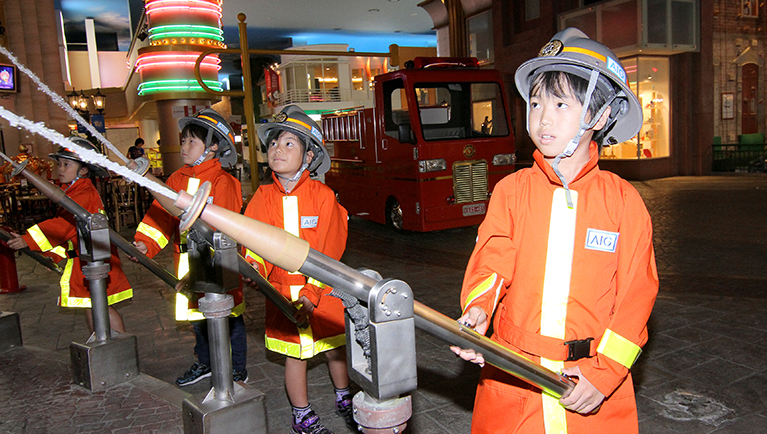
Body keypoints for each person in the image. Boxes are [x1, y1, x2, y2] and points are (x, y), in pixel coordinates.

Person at [451, 28, 659, 434]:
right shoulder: (511, 191)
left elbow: (636, 296)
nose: (543, 117)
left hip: (589, 386)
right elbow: (491, 263)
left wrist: (605, 374)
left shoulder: (623, 202)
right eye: (536, 102)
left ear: (599, 116)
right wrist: (477, 313)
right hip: (515, 375)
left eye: (561, 103)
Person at [242, 105, 354, 434]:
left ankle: (344, 397)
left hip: (322, 290)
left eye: (289, 144)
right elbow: (254, 242)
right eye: (275, 143)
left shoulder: (323, 196)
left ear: (308, 158)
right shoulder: (261, 197)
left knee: (334, 347)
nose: (278, 149)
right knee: (296, 355)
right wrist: (253, 267)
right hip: (280, 295)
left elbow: (328, 251)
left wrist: (310, 293)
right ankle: (301, 415)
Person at [131, 108, 247, 386]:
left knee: (228, 319)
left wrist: (200, 270)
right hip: (185, 260)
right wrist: (145, 243)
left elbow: (225, 230)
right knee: (198, 319)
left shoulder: (224, 182)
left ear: (213, 147)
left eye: (191, 141)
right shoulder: (175, 180)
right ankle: (205, 362)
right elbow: (160, 215)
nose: (183, 146)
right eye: (184, 140)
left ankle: (237, 368)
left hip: (218, 264)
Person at [6, 137, 132, 334]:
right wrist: (54, 255)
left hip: (95, 260)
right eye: (59, 164)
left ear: (83, 170)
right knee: (91, 305)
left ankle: (119, 344)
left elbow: (63, 226)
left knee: (101, 306)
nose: (60, 169)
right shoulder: (75, 190)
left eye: (67, 164)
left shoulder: (83, 193)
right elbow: (71, 233)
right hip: (86, 258)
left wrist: (28, 239)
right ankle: (101, 342)